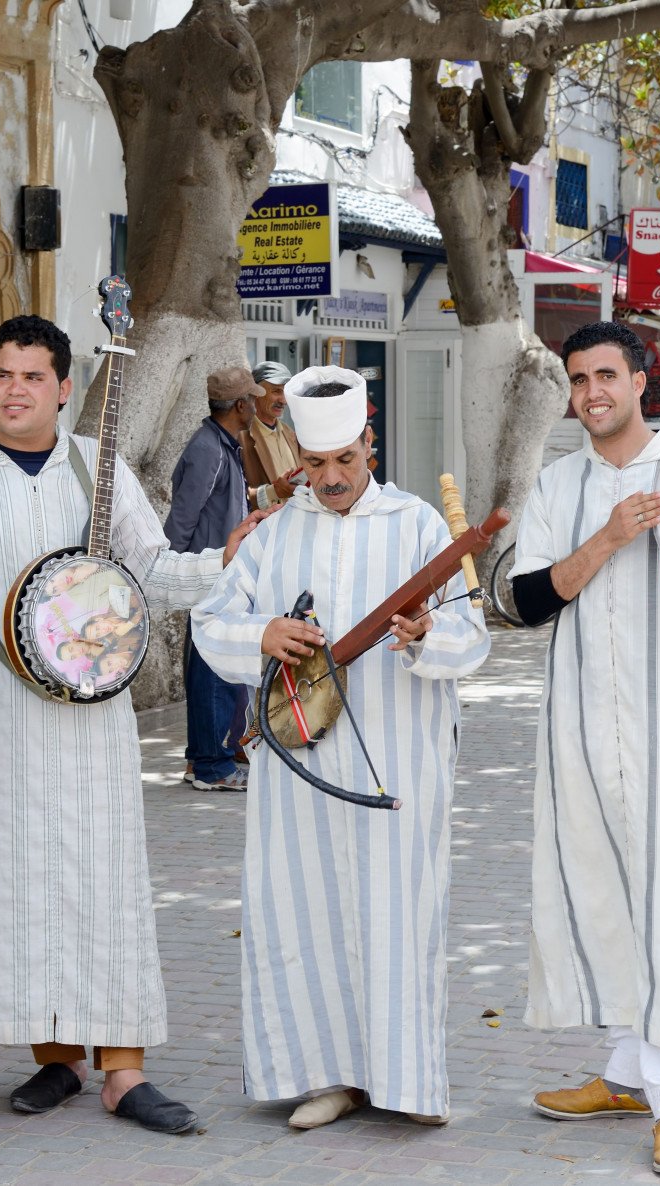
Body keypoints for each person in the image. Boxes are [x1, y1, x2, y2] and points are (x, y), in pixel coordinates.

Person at [0, 316, 268, 1136]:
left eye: (32, 376)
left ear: (65, 388)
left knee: (105, 879)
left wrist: (224, 560)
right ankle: (53, 1060)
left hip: (95, 719)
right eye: (2, 374)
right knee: (17, 879)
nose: (14, 389)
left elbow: (152, 569)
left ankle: (124, 1072)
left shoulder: (99, 469)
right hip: (2, 713)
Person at [191, 365, 491, 1130]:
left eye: (345, 462)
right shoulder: (275, 531)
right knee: (305, 911)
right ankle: (325, 1076)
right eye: (316, 464)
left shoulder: (420, 527)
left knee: (397, 913)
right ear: (296, 451)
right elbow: (210, 621)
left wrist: (426, 636)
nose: (330, 479)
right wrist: (262, 633)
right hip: (301, 769)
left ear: (371, 443)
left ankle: (404, 1080)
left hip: (397, 758)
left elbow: (470, 636)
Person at [508, 322, 660, 1178]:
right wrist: (610, 538)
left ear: (640, 380)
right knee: (598, 889)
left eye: (606, 375)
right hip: (578, 725)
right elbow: (526, 599)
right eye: (579, 381)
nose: (592, 395)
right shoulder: (558, 483)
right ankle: (623, 1072)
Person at [165, 366, 257, 792]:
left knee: (214, 670)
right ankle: (211, 768)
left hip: (218, 573)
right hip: (208, 575)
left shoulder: (221, 444)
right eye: (251, 400)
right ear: (240, 406)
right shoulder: (209, 448)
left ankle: (202, 761)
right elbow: (183, 517)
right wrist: (176, 573)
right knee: (212, 672)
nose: (255, 407)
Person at [242, 361, 303, 509]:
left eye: (285, 392)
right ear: (255, 392)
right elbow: (229, 497)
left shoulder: (291, 434)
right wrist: (273, 492)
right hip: (259, 529)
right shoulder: (240, 438)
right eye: (276, 391)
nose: (283, 400)